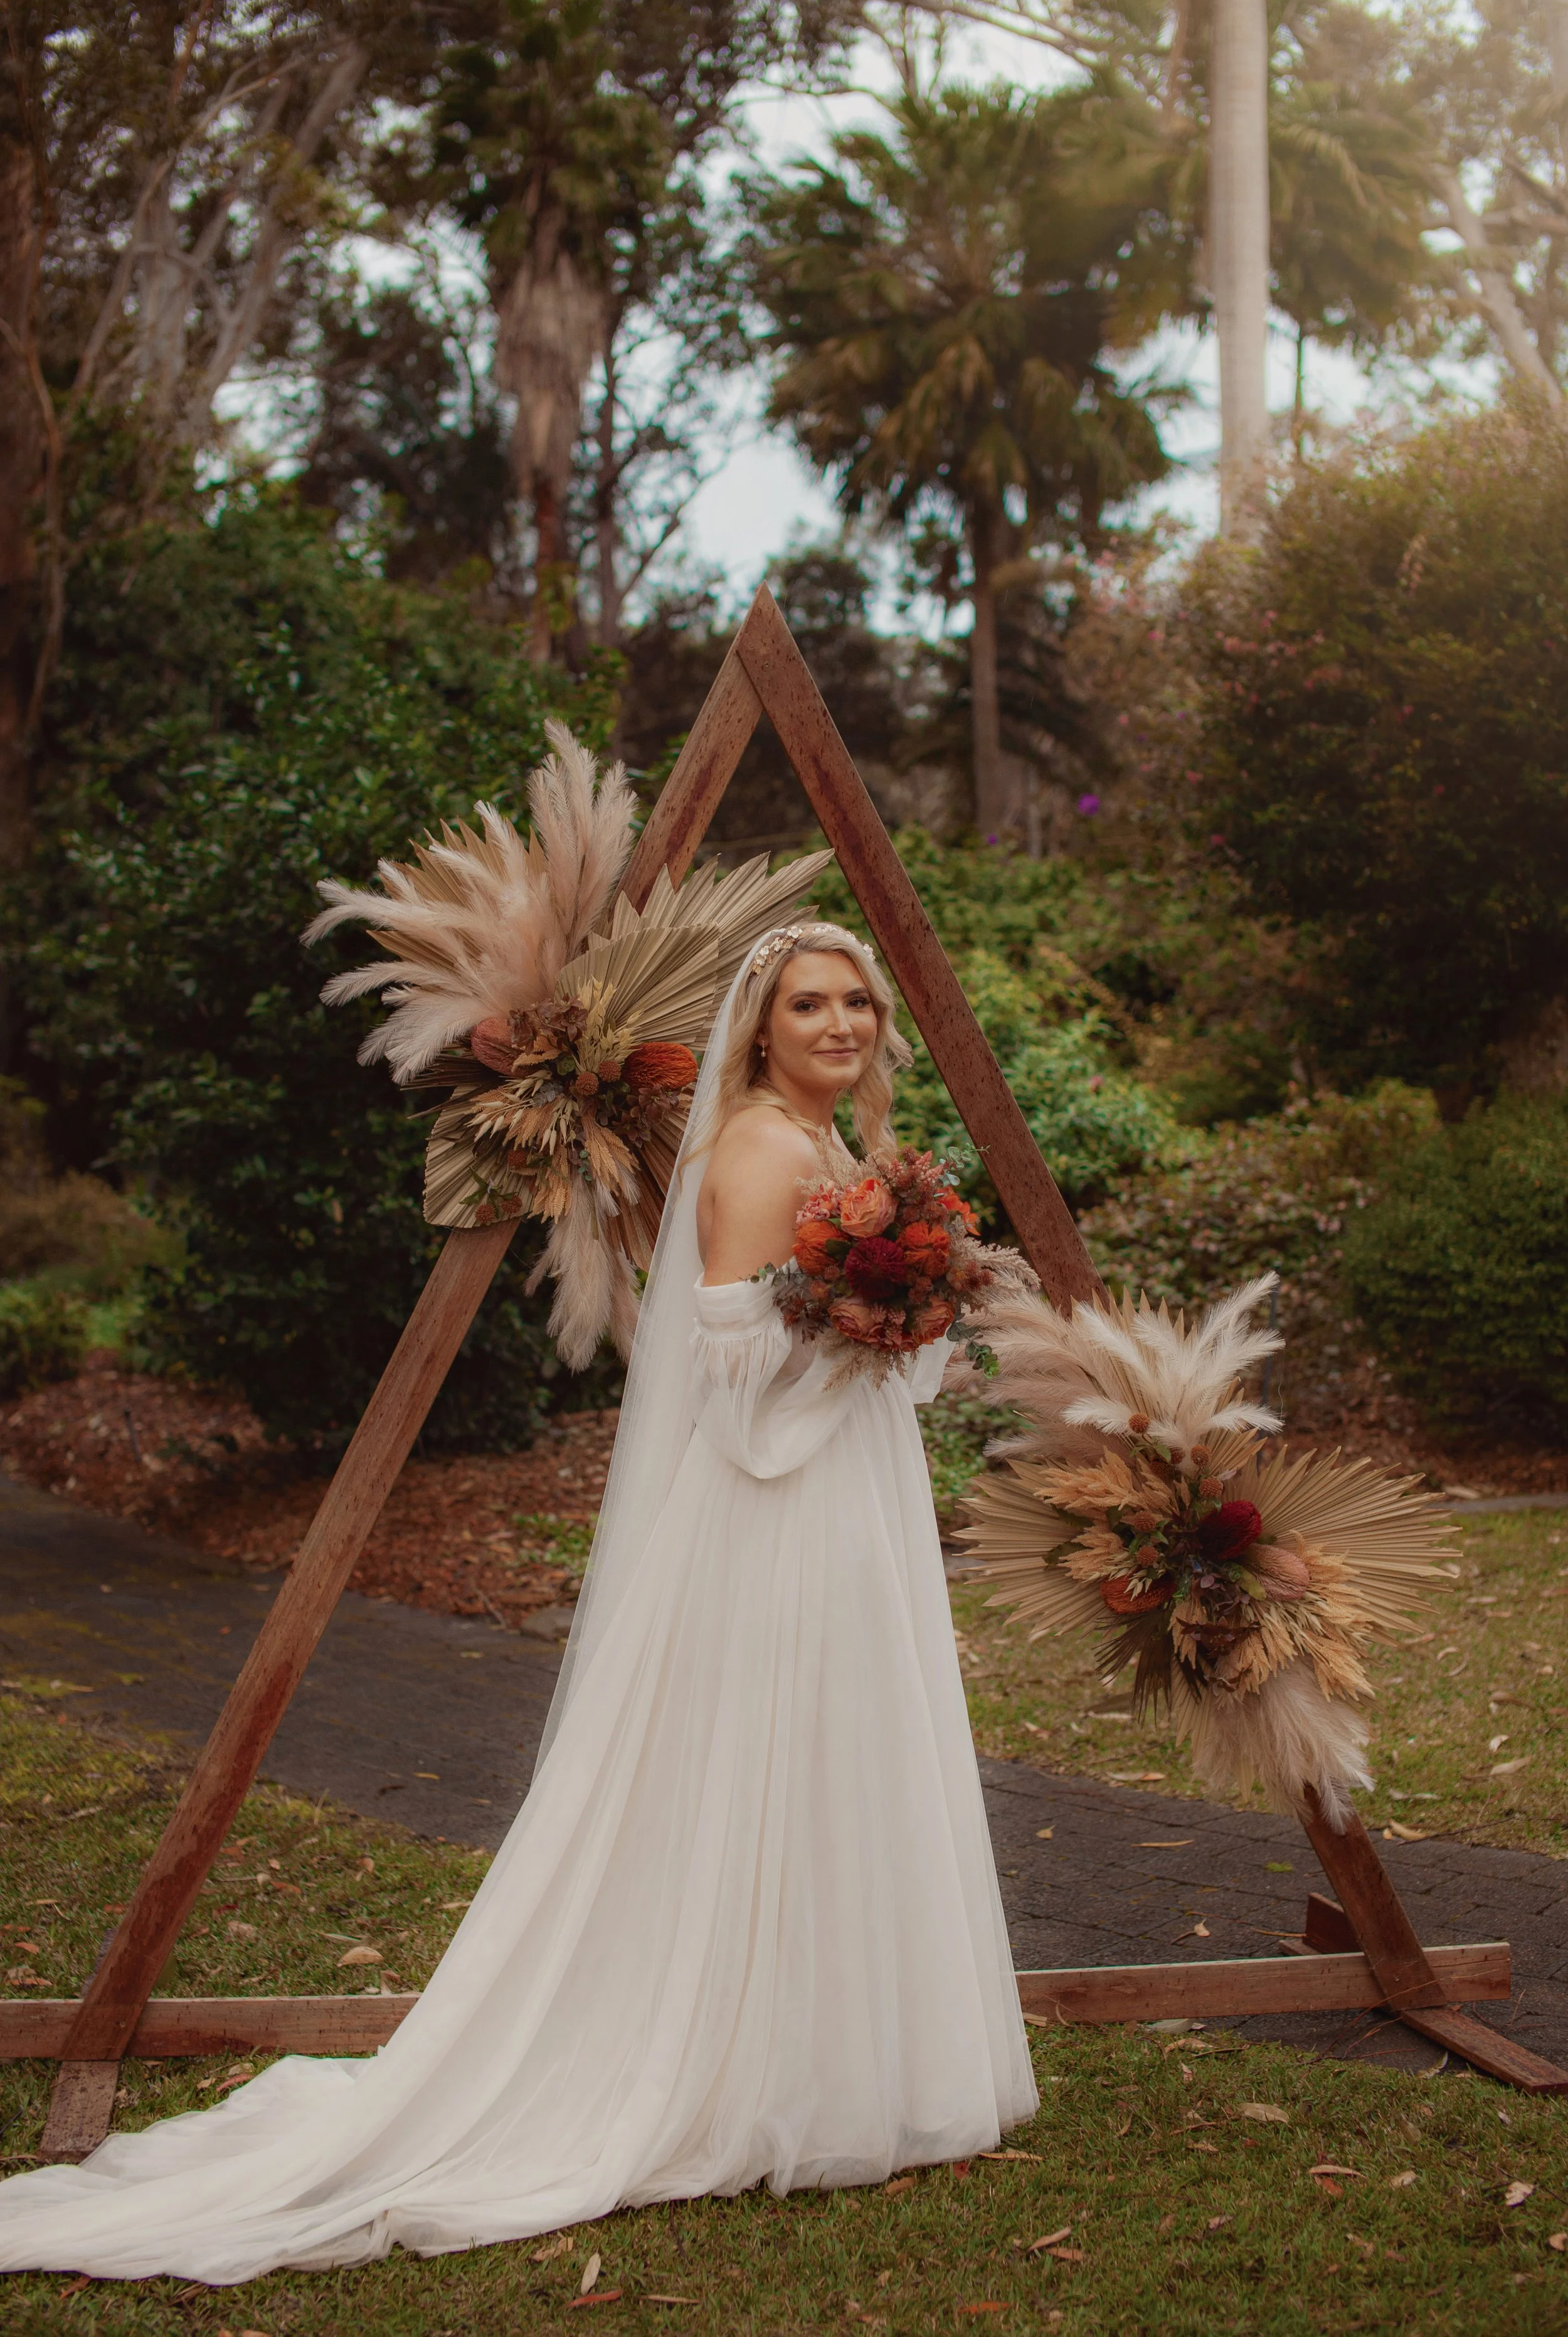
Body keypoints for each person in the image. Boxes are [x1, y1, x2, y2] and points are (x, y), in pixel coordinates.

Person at [0, 923, 1036, 2284]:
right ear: (760, 1026)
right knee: (773, 1760)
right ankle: (753, 2064)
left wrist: (901, 1312)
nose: (837, 1022)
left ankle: (811, 2050)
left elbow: (832, 1341)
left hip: (842, 1491)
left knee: (827, 1763)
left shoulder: (833, 1151)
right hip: (779, 1509)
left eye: (855, 1001)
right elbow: (727, 1374)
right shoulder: (760, 1150)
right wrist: (872, 1323)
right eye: (808, 1003)